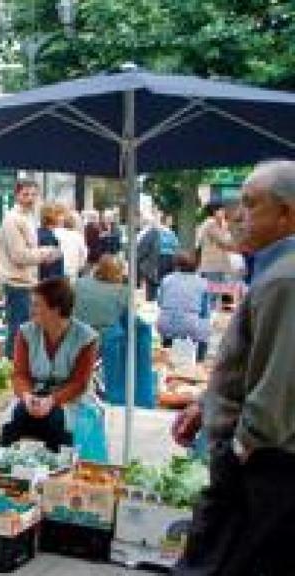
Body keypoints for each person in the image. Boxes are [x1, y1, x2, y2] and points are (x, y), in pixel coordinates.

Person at [172, 160, 295, 576]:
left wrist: (240, 446)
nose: (237, 214)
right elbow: (253, 363)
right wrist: (206, 404)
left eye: (250, 204)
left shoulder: (286, 279)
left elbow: (279, 381)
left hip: (263, 467)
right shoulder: (275, 270)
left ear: (287, 214)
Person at [0, 277, 98, 453]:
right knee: (16, 418)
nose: (32, 310)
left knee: (57, 422)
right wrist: (27, 397)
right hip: (34, 395)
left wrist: (52, 401)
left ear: (56, 309)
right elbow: (20, 374)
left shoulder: (86, 337)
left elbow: (79, 383)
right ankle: (5, 466)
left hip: (71, 399)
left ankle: (57, 470)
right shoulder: (26, 332)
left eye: (37, 305)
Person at [0, 180, 60, 357]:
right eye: (25, 194)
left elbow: (27, 253)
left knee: (24, 332)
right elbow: (18, 255)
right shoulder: (13, 219)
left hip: (27, 282)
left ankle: (17, 369)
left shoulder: (28, 218)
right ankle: (12, 371)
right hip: (17, 283)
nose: (30, 199)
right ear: (17, 195)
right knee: (18, 332)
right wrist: (45, 253)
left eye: (33, 194)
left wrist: (42, 255)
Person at [157, 251, 210, 362]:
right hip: (190, 326)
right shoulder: (202, 283)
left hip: (166, 324)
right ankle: (198, 362)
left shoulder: (166, 279)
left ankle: (167, 355)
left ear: (176, 264)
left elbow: (160, 302)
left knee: (168, 334)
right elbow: (205, 312)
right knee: (204, 331)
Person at [73, 255, 129, 338]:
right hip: (106, 336)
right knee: (141, 327)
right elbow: (129, 315)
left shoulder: (79, 283)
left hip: (78, 332)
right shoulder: (122, 291)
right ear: (118, 274)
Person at [53, 210, 88, 279]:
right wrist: (79, 266)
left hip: (57, 269)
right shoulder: (78, 236)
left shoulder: (55, 232)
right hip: (72, 270)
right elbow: (83, 254)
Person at [136, 214, 162, 301]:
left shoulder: (152, 233)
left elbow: (144, 250)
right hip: (144, 265)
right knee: (142, 291)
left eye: (142, 220)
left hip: (146, 265)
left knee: (147, 292)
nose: (140, 221)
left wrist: (135, 257)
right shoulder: (145, 232)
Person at [37, 203, 65, 280]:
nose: (62, 218)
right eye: (59, 215)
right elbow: (50, 265)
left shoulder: (38, 233)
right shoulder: (49, 238)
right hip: (50, 283)